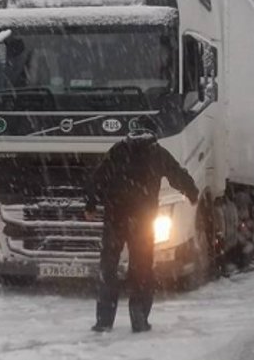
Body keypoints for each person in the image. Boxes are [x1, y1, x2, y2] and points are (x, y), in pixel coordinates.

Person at [85, 116, 199, 333]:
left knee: (108, 267)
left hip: (115, 217)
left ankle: (104, 320)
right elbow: (177, 175)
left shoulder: (118, 150)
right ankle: (139, 318)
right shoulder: (157, 152)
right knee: (142, 268)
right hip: (143, 219)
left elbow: (97, 178)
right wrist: (191, 192)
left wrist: (90, 203)